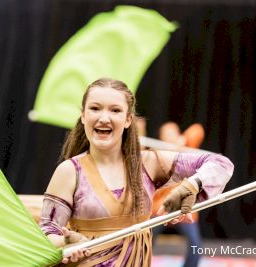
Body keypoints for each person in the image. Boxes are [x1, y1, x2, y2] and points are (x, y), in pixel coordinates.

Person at [39, 78, 234, 266]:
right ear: (83, 116)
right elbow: (46, 233)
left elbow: (221, 163)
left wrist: (194, 184)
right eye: (95, 108)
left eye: (115, 110)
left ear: (127, 119)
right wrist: (66, 244)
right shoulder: (69, 171)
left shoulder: (149, 163)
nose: (104, 118)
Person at [152, 122, 205, 267]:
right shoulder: (156, 157)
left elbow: (198, 130)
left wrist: (182, 142)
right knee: (144, 242)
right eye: (166, 135)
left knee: (195, 246)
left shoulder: (187, 150)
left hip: (184, 210)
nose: (170, 138)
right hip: (160, 209)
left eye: (173, 134)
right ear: (161, 138)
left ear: (179, 135)